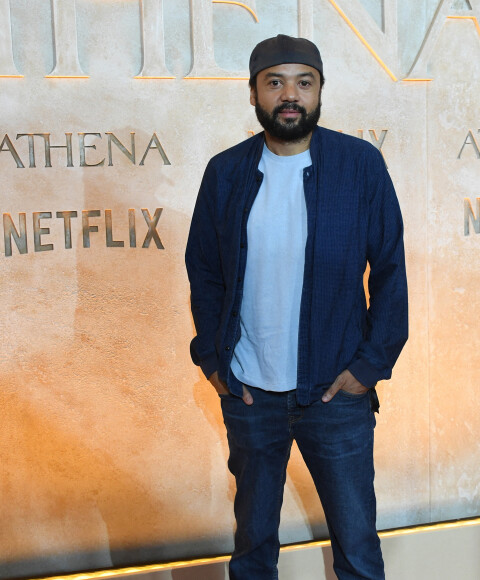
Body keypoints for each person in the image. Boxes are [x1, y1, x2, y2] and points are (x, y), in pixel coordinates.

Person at [186, 34, 408, 580]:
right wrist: (214, 362)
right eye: (276, 82)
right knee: (254, 550)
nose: (290, 95)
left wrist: (368, 367)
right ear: (254, 93)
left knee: (357, 549)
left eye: (303, 83)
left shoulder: (359, 165)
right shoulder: (226, 172)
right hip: (250, 393)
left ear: (320, 91)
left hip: (336, 393)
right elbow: (205, 272)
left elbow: (390, 270)